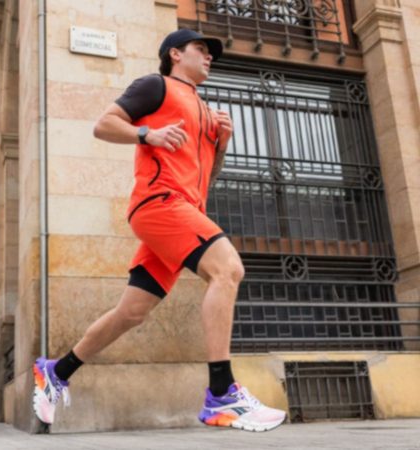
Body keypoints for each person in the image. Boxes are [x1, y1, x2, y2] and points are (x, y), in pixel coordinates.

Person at [33, 29, 286, 432]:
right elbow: (103, 125)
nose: (209, 56)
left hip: (182, 213)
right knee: (227, 269)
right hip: (159, 204)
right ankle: (222, 394)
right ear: (175, 54)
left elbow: (208, 178)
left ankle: (56, 371)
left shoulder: (206, 112)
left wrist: (221, 143)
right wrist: (147, 133)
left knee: (131, 313)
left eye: (210, 52)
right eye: (201, 49)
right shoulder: (156, 86)